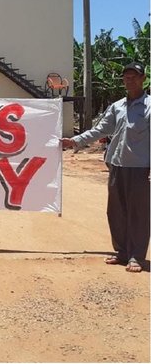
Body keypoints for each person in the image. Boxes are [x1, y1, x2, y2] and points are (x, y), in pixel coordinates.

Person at [61, 62, 150, 273]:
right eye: (126, 76)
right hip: (116, 165)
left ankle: (136, 256)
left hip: (140, 168)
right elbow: (100, 130)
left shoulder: (148, 106)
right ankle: (122, 252)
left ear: (143, 79)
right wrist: (75, 141)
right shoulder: (117, 106)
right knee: (115, 212)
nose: (129, 80)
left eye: (134, 76)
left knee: (138, 213)